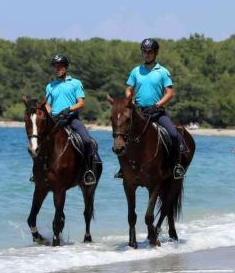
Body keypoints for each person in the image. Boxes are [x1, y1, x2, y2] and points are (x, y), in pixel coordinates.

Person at [114, 38, 185, 180]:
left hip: (157, 112)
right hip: (139, 111)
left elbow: (170, 93)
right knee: (122, 134)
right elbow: (129, 88)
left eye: (150, 52)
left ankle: (176, 166)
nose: (147, 54)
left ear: (155, 53)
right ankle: (123, 168)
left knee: (173, 134)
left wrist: (157, 105)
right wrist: (130, 98)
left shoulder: (163, 72)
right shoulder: (136, 71)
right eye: (145, 52)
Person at [45, 54, 97, 185]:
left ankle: (88, 171)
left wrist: (69, 109)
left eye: (60, 66)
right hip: (55, 120)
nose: (57, 69)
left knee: (86, 141)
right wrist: (50, 114)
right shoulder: (50, 86)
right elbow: (47, 104)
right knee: (40, 142)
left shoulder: (75, 83)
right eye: (55, 67)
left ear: (66, 67)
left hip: (71, 119)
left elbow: (81, 103)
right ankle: (38, 172)